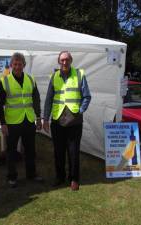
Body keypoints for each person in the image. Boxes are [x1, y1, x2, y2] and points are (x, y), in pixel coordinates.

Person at [43, 51, 91, 191]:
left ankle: (74, 179)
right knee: (58, 151)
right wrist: (45, 119)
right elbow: (48, 100)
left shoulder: (80, 75)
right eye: (62, 60)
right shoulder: (54, 76)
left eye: (67, 60)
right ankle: (60, 177)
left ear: (71, 61)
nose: (64, 62)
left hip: (74, 121)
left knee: (73, 151)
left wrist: (80, 110)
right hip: (57, 120)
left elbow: (87, 96)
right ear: (59, 62)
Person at [0, 52, 43, 188]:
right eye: (15, 64)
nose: (17, 66)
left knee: (30, 149)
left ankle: (31, 174)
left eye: (20, 64)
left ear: (24, 65)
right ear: (11, 65)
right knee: (11, 151)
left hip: (28, 120)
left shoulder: (31, 79)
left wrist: (38, 117)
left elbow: (36, 100)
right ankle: (12, 177)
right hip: (12, 122)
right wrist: (3, 123)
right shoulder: (4, 81)